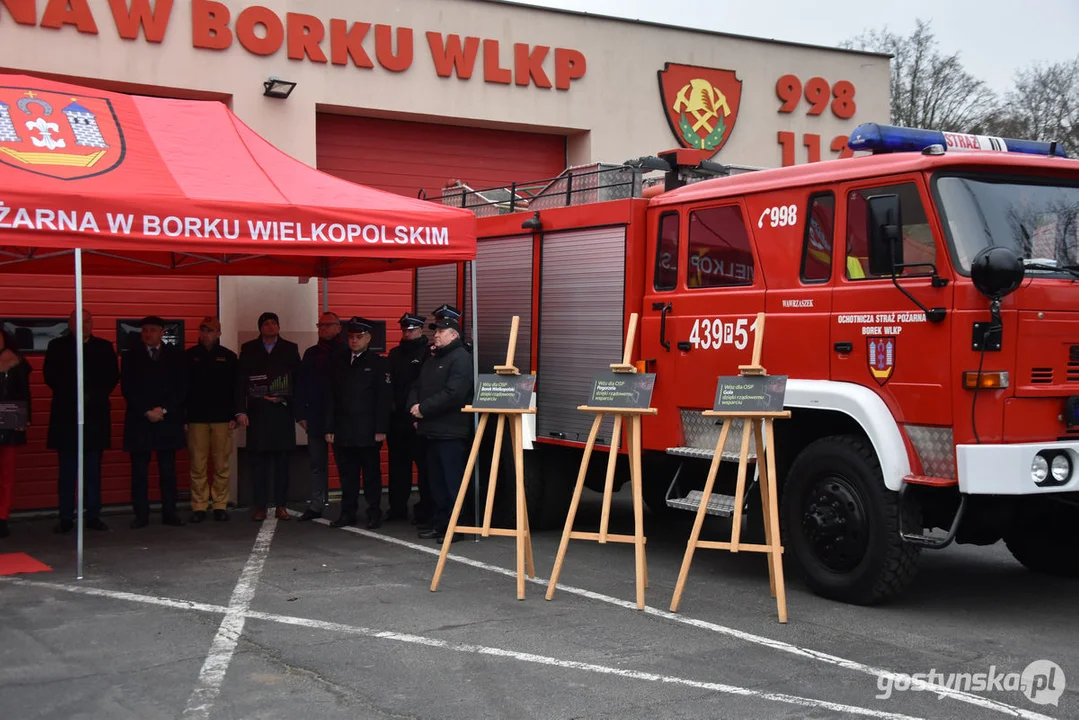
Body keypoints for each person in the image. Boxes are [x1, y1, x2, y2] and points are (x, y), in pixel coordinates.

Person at [43, 310, 119, 534]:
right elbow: (50, 376)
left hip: (94, 417)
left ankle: (93, 515)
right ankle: (66, 516)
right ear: (70, 323)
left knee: (92, 470)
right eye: (80, 321)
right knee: (67, 471)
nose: (85, 325)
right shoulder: (57, 346)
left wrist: (92, 395)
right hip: (66, 417)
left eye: (88, 321)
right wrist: (73, 395)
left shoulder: (104, 347)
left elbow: (112, 376)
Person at [408, 305, 474, 542]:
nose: (436, 334)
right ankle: (440, 524)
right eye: (436, 331)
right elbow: (417, 385)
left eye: (442, 331)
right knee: (434, 482)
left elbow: (454, 393)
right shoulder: (434, 357)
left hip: (451, 431)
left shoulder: (461, 359)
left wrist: (424, 409)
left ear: (454, 335)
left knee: (451, 482)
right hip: (431, 430)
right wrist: (414, 408)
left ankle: (455, 527)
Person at [325, 317, 392, 528]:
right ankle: (348, 512)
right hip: (343, 429)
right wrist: (329, 427)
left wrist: (381, 428)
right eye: (351, 337)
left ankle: (374, 512)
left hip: (368, 430)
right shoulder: (338, 361)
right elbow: (330, 397)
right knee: (348, 476)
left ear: (368, 338)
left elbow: (384, 398)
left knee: (371, 475)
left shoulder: (378, 363)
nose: (354, 341)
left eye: (359, 337)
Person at [121, 316, 188, 528]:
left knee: (168, 471)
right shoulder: (131, 356)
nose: (148, 334)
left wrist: (164, 409)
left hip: (167, 421)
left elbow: (182, 388)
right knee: (139, 472)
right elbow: (127, 388)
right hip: (140, 421)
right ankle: (141, 514)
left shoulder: (176, 356)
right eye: (145, 331)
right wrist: (146, 411)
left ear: (161, 333)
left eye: (152, 330)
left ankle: (170, 512)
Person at [235, 311, 301, 522]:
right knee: (259, 464)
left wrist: (285, 399)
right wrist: (240, 410)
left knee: (282, 464)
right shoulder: (249, 349)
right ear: (260, 328)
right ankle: (260, 506)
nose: (270, 327)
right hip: (258, 413)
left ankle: (282, 505)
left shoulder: (290, 348)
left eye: (274, 323)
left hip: (281, 412)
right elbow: (240, 381)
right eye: (266, 324)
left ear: (279, 327)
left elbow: (298, 380)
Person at [185, 316, 238, 523]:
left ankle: (219, 504)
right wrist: (184, 417)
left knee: (221, 463)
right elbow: (183, 389)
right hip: (196, 418)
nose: (206, 334)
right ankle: (199, 505)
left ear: (218, 334)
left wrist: (234, 414)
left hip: (222, 419)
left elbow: (236, 389)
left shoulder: (229, 357)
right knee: (197, 464)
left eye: (211, 330)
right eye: (203, 330)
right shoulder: (189, 356)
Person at [295, 311, 344, 521]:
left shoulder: (345, 352)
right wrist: (300, 414)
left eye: (327, 324)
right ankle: (316, 504)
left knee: (344, 463)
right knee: (317, 463)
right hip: (315, 416)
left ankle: (347, 506)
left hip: (341, 418)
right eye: (320, 325)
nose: (323, 328)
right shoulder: (311, 353)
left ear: (338, 327)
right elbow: (301, 385)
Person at [387, 312, 431, 525]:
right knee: (398, 467)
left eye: (411, 330)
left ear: (421, 330)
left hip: (417, 417)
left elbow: (425, 386)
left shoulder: (428, 353)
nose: (407, 333)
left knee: (423, 467)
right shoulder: (395, 354)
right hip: (397, 419)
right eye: (404, 330)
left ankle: (424, 510)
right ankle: (397, 508)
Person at [0, 328, 31, 539]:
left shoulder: (16, 361)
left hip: (9, 420)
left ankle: (2, 518)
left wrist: (24, 418)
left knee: (6, 475)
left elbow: (24, 392)